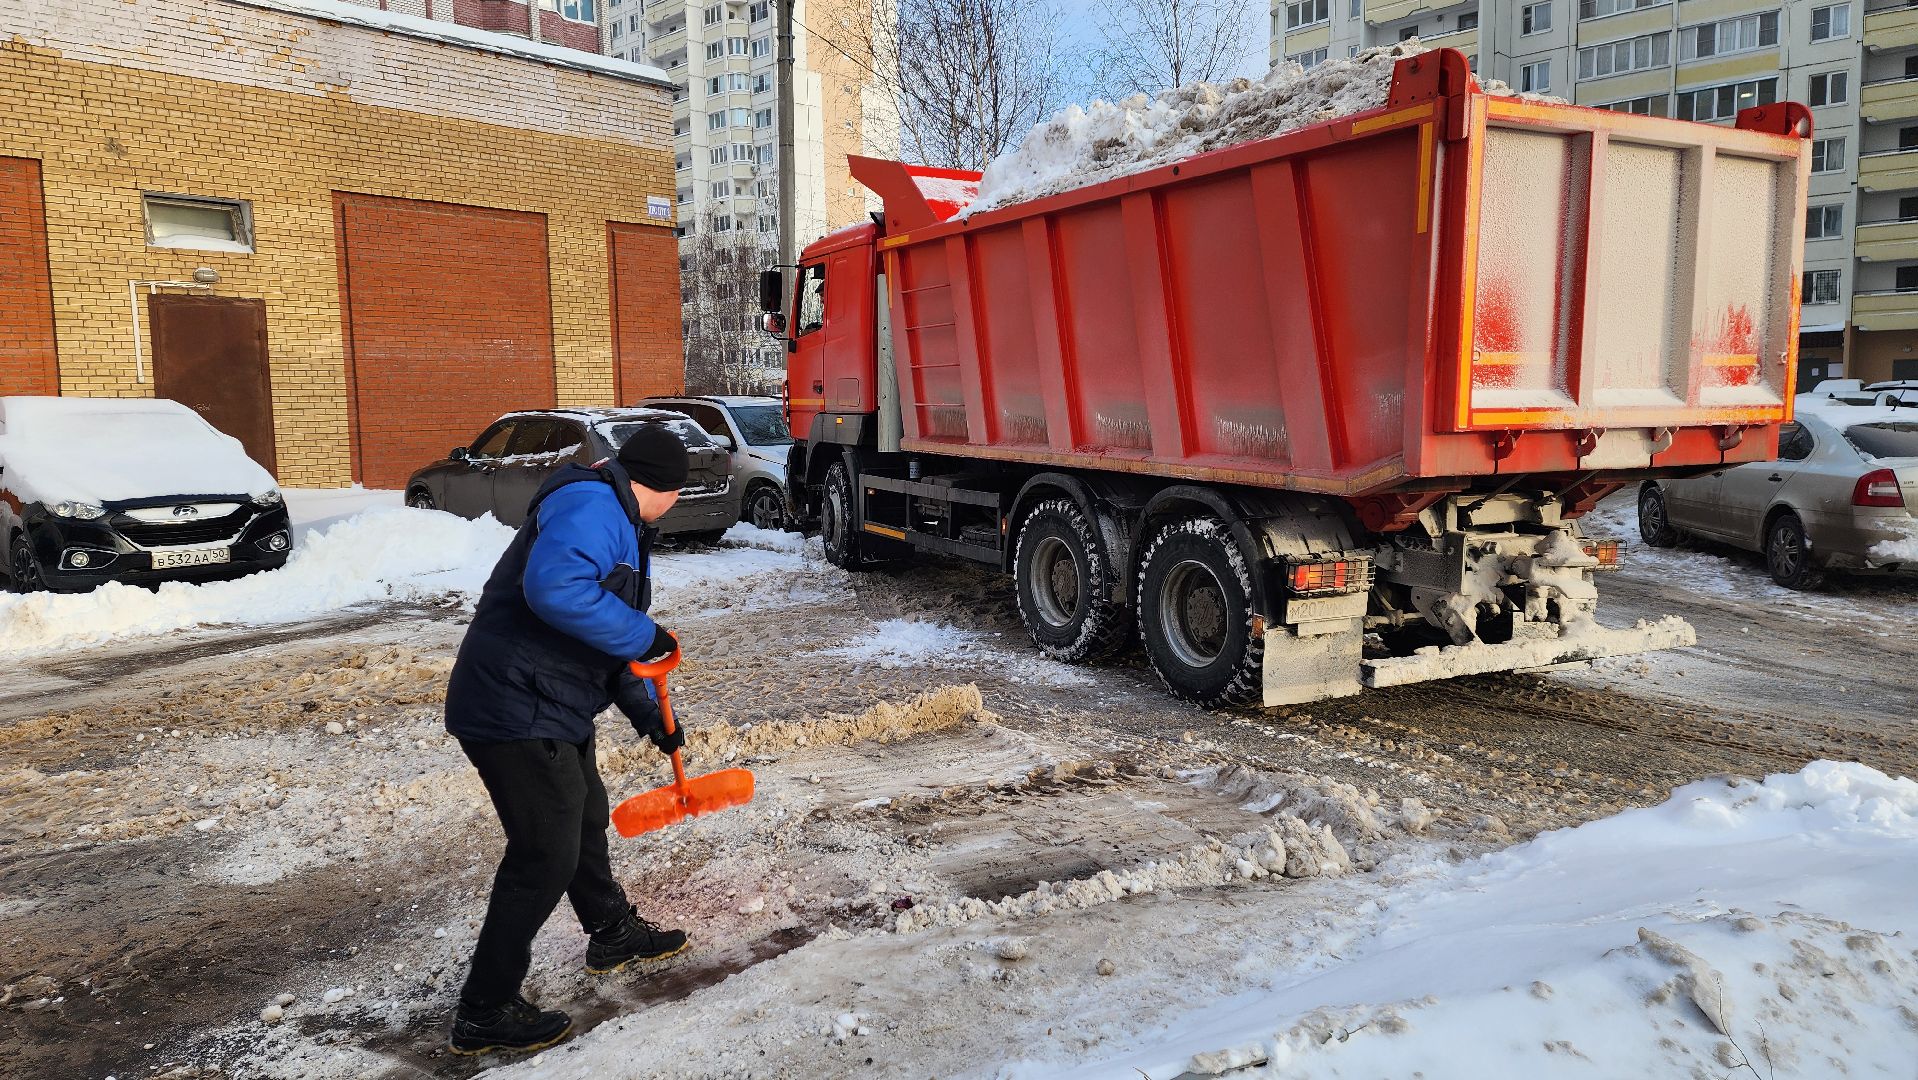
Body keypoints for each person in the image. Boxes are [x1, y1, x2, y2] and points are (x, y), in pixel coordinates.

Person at [441, 424, 696, 1057]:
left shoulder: (617, 517)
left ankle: (611, 932)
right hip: (515, 705)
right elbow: (556, 592)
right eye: (679, 493)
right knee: (543, 855)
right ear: (660, 488)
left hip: (547, 701)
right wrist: (644, 635)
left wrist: (650, 717)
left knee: (584, 817)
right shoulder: (594, 507)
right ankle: (485, 1008)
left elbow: (598, 634)